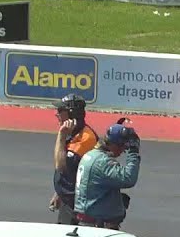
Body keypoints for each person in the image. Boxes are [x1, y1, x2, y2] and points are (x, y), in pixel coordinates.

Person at [74, 123, 141, 229]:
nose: (123, 151)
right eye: (123, 146)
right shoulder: (102, 162)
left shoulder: (91, 155)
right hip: (98, 226)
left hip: (88, 219)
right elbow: (128, 179)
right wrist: (133, 153)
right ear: (113, 144)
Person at [50, 95, 99, 225]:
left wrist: (61, 135)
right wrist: (59, 192)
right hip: (69, 199)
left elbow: (61, 166)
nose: (57, 114)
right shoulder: (73, 133)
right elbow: (69, 172)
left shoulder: (86, 139)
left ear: (71, 114)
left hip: (79, 205)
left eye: (60, 111)